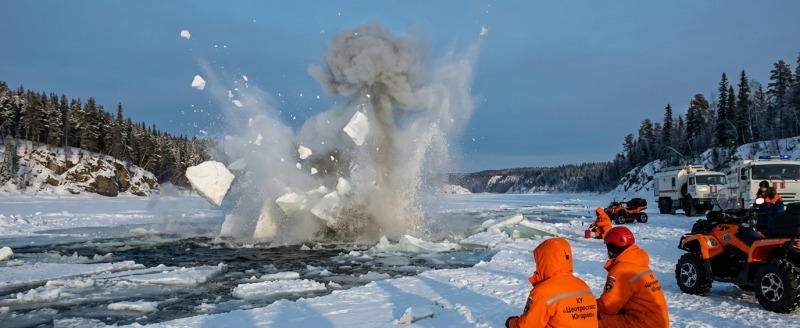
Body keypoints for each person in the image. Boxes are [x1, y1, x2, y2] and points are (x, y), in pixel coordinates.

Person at [505, 238, 598, 328]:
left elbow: (526, 326)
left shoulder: (543, 291)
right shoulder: (583, 286)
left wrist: (511, 322)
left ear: (544, 261)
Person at [596, 227, 669, 328]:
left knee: (593, 319)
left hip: (643, 323)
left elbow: (608, 306)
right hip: (658, 322)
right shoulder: (638, 263)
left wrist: (589, 306)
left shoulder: (621, 269)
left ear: (611, 248)